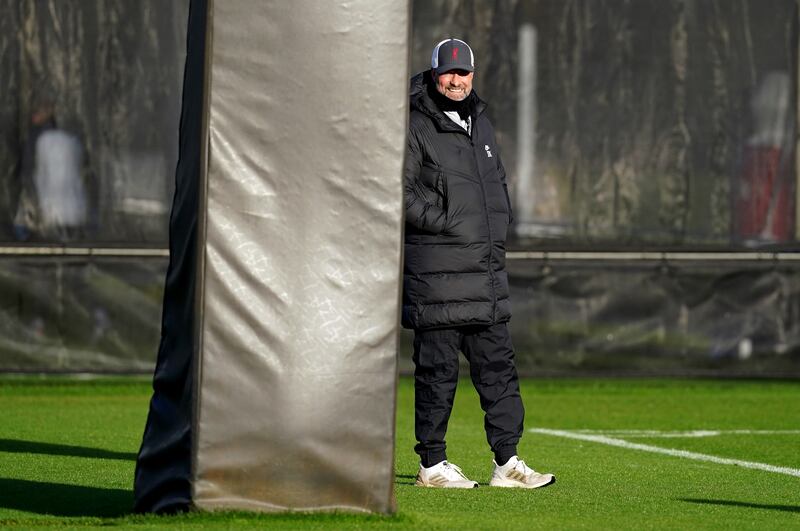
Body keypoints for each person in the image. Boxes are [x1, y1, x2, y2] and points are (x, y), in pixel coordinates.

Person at [403, 38, 555, 489]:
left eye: (464, 72)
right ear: (434, 74)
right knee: (437, 373)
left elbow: (496, 184)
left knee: (499, 371)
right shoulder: (413, 124)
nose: (456, 80)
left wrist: (498, 220)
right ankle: (432, 466)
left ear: (473, 75)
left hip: (485, 276)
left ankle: (507, 464)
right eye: (448, 72)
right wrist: (446, 221)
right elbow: (397, 191)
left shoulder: (481, 123)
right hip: (438, 276)